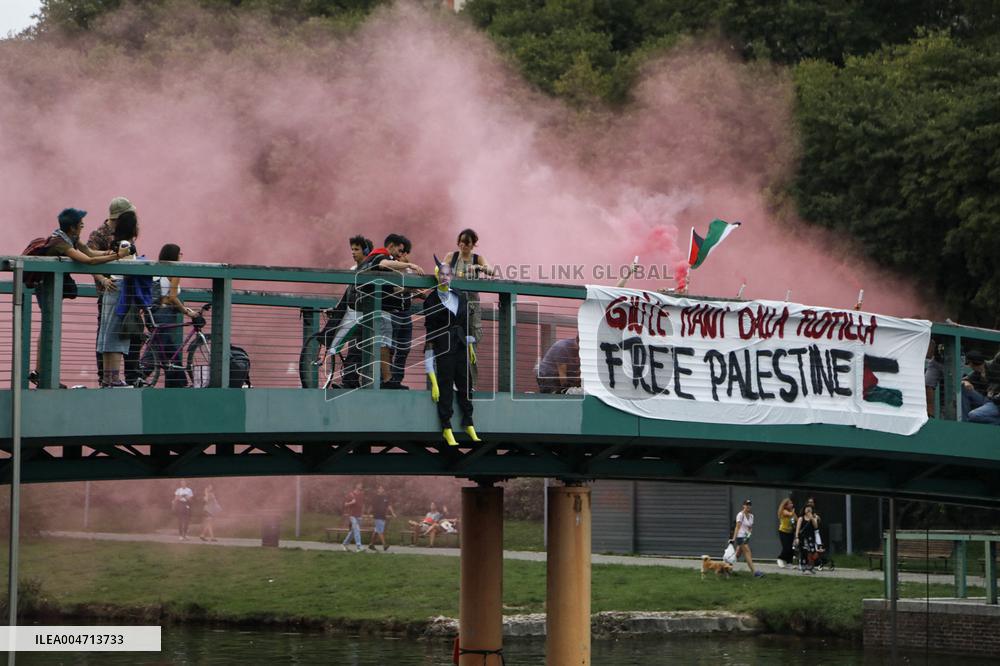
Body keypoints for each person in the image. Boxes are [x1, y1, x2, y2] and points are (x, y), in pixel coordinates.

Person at [29, 208, 128, 387]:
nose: (83, 226)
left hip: (52, 288)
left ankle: (43, 373)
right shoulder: (60, 242)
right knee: (49, 327)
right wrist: (116, 256)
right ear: (73, 228)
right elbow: (87, 261)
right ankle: (42, 374)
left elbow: (90, 252)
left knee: (49, 327)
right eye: (81, 224)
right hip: (46, 289)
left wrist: (112, 254)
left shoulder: (69, 238)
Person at [424, 256, 481, 447]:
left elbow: (465, 323)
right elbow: (430, 334)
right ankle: (446, 426)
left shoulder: (459, 295)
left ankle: (468, 421)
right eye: (442, 274)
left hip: (460, 345)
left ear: (452, 276)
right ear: (437, 275)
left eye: (448, 274)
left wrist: (470, 345)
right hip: (443, 346)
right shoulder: (431, 300)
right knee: (445, 385)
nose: (445, 277)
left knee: (466, 382)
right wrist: (432, 381)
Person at [89, 197, 140, 384]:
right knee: (107, 335)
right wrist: (103, 279)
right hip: (109, 291)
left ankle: (131, 376)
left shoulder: (124, 233)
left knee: (132, 333)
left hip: (125, 292)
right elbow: (89, 261)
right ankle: (106, 377)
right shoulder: (99, 235)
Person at [443, 229, 494, 389]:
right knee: (451, 341)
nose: (464, 246)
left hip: (471, 306)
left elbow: (492, 271)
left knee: (472, 343)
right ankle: (451, 381)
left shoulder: (477, 258)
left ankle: (470, 384)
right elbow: (441, 271)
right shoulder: (452, 257)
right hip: (454, 304)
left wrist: (478, 268)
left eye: (467, 243)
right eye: (462, 242)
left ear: (473, 244)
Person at [149, 244, 198, 387]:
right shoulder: (174, 271)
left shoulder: (156, 269)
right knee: (160, 349)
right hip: (165, 313)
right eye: (180, 253)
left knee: (169, 351)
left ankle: (180, 383)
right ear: (174, 256)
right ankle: (140, 375)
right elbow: (172, 297)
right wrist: (187, 311)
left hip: (153, 312)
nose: (182, 256)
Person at [387, 237, 416, 388]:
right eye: (400, 252)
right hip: (393, 312)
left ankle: (396, 380)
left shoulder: (410, 270)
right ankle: (387, 380)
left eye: (405, 253)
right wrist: (409, 287)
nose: (402, 256)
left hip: (406, 313)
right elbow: (393, 290)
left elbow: (415, 290)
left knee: (404, 348)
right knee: (390, 348)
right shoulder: (392, 269)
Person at [966, 350, 1000, 425]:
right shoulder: (976, 373)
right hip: (991, 401)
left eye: (969, 363)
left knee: (973, 416)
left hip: (997, 402)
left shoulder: (993, 364)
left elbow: (997, 357)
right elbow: (964, 380)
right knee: (972, 416)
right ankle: (963, 421)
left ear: (971, 363)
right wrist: (966, 382)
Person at [731, 498, 764, 577]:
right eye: (746, 505)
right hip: (740, 536)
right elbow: (737, 527)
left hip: (745, 537)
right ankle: (754, 572)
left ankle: (726, 567)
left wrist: (748, 536)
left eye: (749, 505)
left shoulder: (751, 516)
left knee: (737, 554)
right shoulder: (740, 515)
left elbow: (750, 528)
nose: (748, 506)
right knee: (747, 552)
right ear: (743, 506)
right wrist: (733, 539)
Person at [367, 484, 396, 552]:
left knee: (377, 531)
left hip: (383, 516)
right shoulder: (375, 497)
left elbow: (389, 506)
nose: (381, 489)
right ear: (378, 490)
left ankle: (371, 544)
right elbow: (371, 505)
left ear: (383, 490)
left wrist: (393, 513)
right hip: (377, 516)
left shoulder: (385, 497)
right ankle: (384, 545)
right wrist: (368, 513)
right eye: (380, 488)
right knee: (380, 531)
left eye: (382, 488)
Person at [794, 504, 820, 573]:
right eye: (807, 508)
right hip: (803, 538)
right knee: (804, 552)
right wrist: (796, 537)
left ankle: (810, 567)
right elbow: (798, 529)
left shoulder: (814, 518)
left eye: (810, 508)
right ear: (804, 510)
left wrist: (812, 518)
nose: (808, 509)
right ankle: (804, 567)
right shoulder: (801, 518)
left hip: (811, 538)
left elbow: (816, 527)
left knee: (812, 552)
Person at [342, 483, 365, 552]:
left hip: (359, 516)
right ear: (356, 486)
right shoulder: (350, 494)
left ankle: (344, 544)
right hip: (352, 515)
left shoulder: (361, 494)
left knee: (353, 532)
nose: (360, 486)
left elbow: (362, 505)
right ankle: (359, 546)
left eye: (361, 485)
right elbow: (345, 504)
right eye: (359, 485)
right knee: (357, 529)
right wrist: (351, 502)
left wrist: (362, 514)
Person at [924, 338, 944, 418]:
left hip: (954, 359)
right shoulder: (933, 328)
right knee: (927, 384)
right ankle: (929, 413)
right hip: (936, 360)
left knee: (953, 387)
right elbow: (929, 354)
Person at [776, 498, 796, 568]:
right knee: (786, 547)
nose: (792, 505)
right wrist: (793, 511)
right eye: (790, 504)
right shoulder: (783, 511)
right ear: (786, 505)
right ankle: (780, 559)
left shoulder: (792, 512)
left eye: (792, 503)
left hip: (790, 532)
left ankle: (789, 562)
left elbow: (796, 518)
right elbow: (790, 514)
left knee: (791, 548)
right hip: (783, 532)